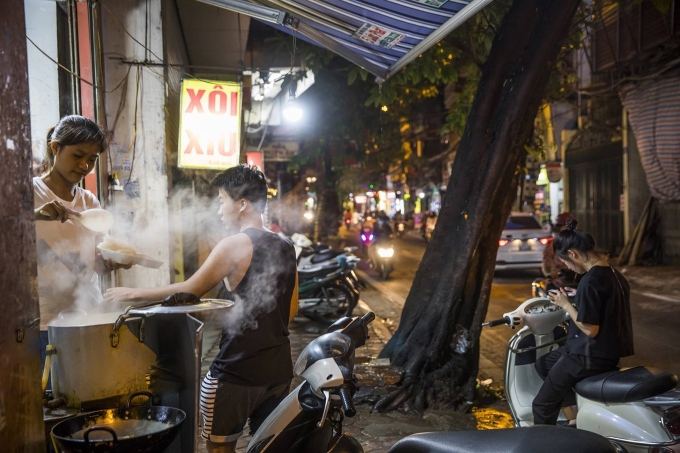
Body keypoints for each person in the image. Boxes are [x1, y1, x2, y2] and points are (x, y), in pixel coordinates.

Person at [104, 164, 298, 453]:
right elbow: (291, 310)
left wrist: (132, 292)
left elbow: (189, 290)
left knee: (220, 449)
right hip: (279, 372)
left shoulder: (234, 244)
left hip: (236, 372)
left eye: (222, 201)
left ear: (242, 204)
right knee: (267, 447)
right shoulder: (286, 245)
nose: (219, 211)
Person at [34, 115, 123, 381]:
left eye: (93, 159)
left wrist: (113, 260)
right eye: (78, 155)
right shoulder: (29, 193)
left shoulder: (89, 201)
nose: (85, 165)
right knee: (51, 403)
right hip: (43, 323)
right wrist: (35, 215)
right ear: (55, 148)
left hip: (87, 316)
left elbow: (98, 265)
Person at [533, 219, 634, 425]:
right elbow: (604, 301)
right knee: (544, 363)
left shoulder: (590, 281)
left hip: (588, 355)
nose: (569, 268)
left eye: (566, 263)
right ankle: (578, 414)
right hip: (609, 351)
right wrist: (578, 295)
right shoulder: (612, 273)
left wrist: (565, 304)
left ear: (573, 254)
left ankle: (546, 443)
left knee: (542, 406)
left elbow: (590, 329)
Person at [542, 212, 580, 289]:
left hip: (575, 283)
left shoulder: (580, 243)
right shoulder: (554, 245)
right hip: (559, 284)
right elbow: (546, 267)